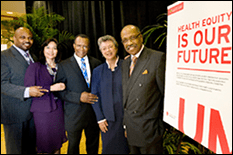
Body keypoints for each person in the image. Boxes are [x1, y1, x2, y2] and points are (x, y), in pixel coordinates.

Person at [1, 27, 48, 154]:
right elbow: (2, 84)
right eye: (23, 37)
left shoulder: (32, 56)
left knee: (31, 149)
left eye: (30, 38)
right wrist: (26, 92)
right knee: (16, 150)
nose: (27, 40)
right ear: (14, 38)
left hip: (33, 113)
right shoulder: (4, 56)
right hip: (15, 114)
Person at [120, 25, 166, 154]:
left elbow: (165, 95)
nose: (129, 43)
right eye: (125, 40)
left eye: (132, 38)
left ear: (141, 37)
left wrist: (160, 127)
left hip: (150, 131)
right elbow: (126, 97)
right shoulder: (125, 63)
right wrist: (125, 125)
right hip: (131, 129)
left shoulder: (157, 58)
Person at [55, 34, 102, 154]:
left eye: (85, 46)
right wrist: (79, 97)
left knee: (93, 145)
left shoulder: (97, 63)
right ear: (74, 46)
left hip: (93, 113)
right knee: (73, 147)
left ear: (89, 47)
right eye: (79, 46)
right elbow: (59, 91)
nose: (82, 49)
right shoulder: (63, 65)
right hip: (74, 115)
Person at [24, 38, 67, 154]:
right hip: (42, 111)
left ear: (58, 51)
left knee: (57, 143)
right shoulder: (35, 67)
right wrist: (51, 88)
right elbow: (29, 88)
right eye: (48, 47)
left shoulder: (62, 66)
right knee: (45, 144)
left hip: (58, 109)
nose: (51, 51)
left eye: (54, 48)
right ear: (43, 50)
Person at [91, 35, 130, 154]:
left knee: (126, 149)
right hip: (107, 121)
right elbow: (94, 96)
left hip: (126, 119)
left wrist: (129, 121)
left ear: (116, 47)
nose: (108, 50)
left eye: (110, 47)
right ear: (101, 52)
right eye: (104, 49)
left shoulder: (127, 66)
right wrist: (100, 118)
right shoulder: (98, 71)